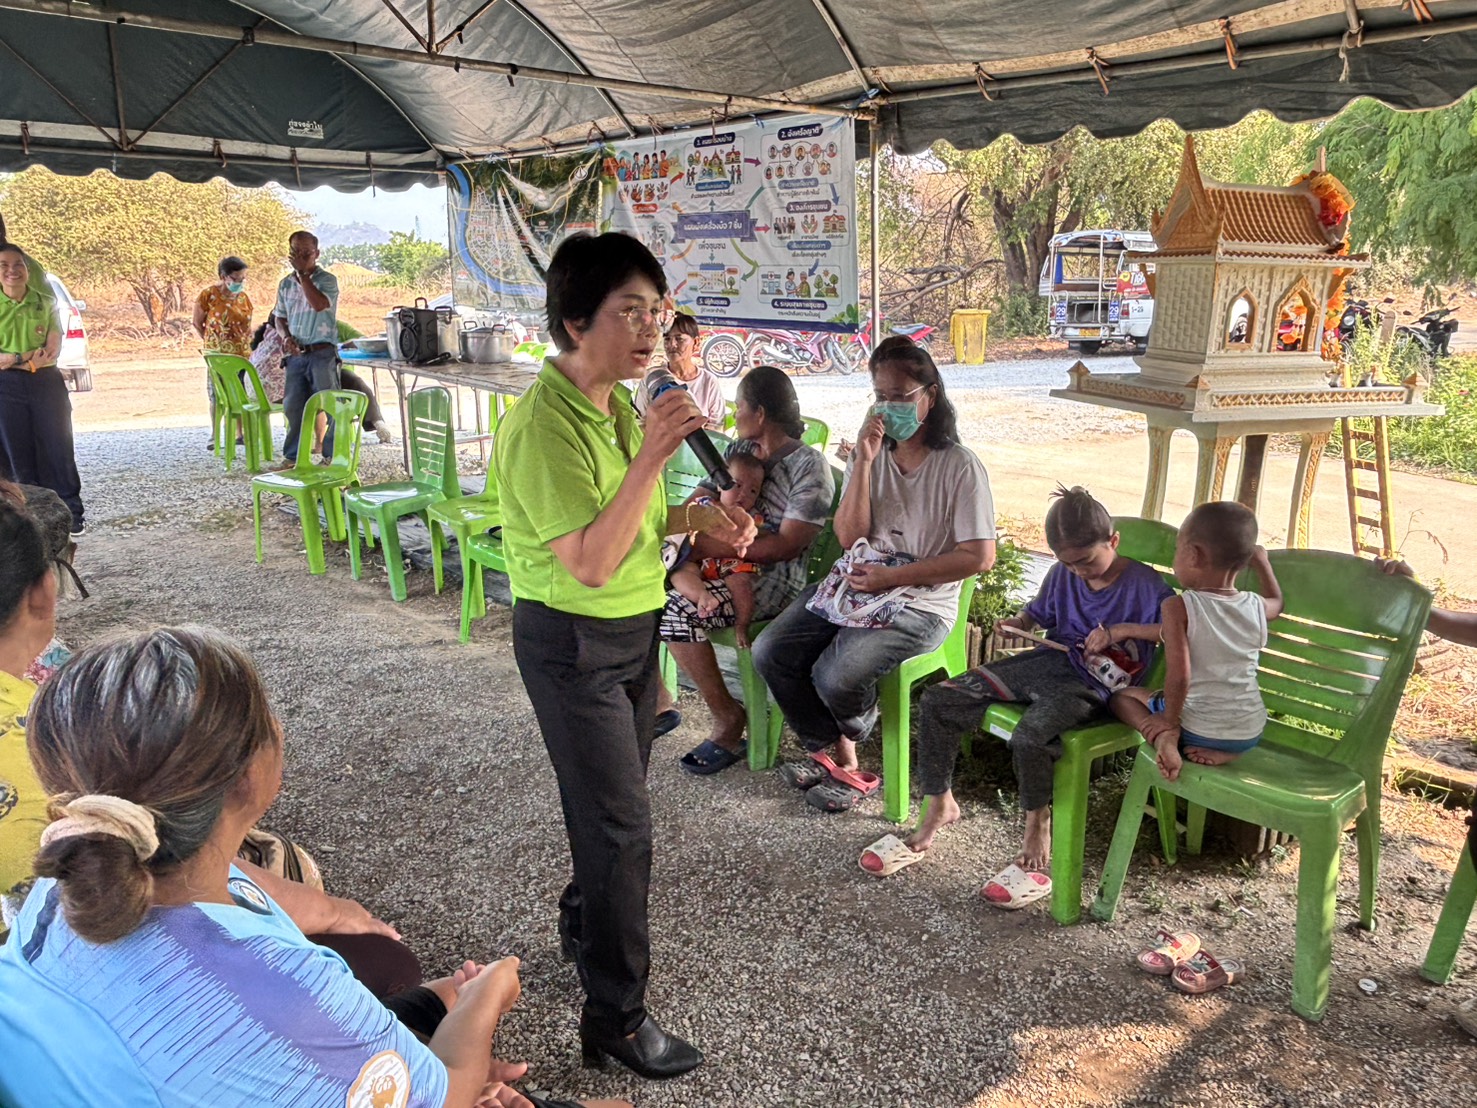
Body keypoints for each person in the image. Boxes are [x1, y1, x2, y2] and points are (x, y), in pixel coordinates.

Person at [0, 625, 628, 1108]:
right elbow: (448, 1096)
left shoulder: (68, 887)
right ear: (248, 776)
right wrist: (484, 1001)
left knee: (409, 985)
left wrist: (436, 1006)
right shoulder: (283, 993)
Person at [492, 231, 756, 1080]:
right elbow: (590, 560)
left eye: (657, 311)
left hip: (633, 630)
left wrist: (699, 522)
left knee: (611, 809)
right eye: (628, 312)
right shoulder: (545, 426)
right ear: (575, 322)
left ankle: (584, 921)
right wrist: (652, 454)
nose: (650, 330)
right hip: (573, 644)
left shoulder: (610, 405)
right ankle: (615, 1018)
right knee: (622, 827)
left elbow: (631, 522)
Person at [752, 337, 996, 810]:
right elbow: (849, 537)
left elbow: (979, 556)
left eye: (901, 396)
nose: (888, 407)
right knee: (771, 650)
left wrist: (894, 578)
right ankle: (833, 753)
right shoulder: (873, 455)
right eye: (881, 396)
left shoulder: (959, 467)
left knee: (834, 674)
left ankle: (848, 743)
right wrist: (863, 461)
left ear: (931, 395)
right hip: (859, 584)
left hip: (921, 602)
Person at [901, 486, 1173, 907]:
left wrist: (1120, 632)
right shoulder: (1064, 573)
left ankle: (1036, 819)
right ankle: (939, 802)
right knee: (940, 699)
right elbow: (1037, 614)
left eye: (1087, 560)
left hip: (1093, 683)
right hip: (1046, 663)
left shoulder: (1146, 585)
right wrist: (1019, 622)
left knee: (1030, 735)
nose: (1078, 572)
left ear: (1113, 541)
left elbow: (1175, 630)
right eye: (1068, 563)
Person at [656, 365, 834, 775]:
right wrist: (699, 536)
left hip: (768, 580)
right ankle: (657, 701)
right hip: (715, 565)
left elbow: (786, 545)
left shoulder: (809, 466)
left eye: (739, 408)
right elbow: (694, 507)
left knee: (678, 610)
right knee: (635, 585)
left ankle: (728, 717)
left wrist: (704, 544)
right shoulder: (737, 451)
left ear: (761, 413)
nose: (734, 417)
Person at [1108, 502, 1284, 782]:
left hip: (1198, 728)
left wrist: (1168, 720)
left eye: (1177, 549)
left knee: (1122, 697)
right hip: (1249, 730)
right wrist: (1262, 564)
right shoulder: (1255, 606)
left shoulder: (1178, 607)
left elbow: (1180, 677)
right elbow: (1277, 602)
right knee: (1218, 716)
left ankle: (1164, 737)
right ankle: (1229, 752)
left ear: (1193, 555)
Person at [0, 244, 84, 538]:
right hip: (7, 386)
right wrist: (23, 358)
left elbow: (50, 351)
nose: (12, 270)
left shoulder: (45, 302)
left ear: (27, 268)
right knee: (17, 452)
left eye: (18, 264)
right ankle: (29, 518)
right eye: (4, 265)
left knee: (58, 446)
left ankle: (71, 514)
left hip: (46, 381)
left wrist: (12, 358)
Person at [667, 451, 770, 647]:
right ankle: (702, 596)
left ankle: (742, 624)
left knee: (740, 582)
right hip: (699, 562)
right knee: (681, 574)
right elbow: (687, 518)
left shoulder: (753, 517)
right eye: (737, 485)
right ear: (719, 485)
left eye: (752, 491)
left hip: (731, 564)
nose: (743, 494)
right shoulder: (705, 505)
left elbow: (760, 534)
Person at [273, 231, 340, 467]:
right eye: (296, 252)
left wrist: (303, 275)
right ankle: (293, 457)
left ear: (317, 254)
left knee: (331, 405)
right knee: (294, 407)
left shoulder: (327, 280)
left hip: (322, 352)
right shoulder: (285, 284)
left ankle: (333, 456)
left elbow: (319, 304)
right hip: (296, 354)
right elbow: (279, 317)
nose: (301, 257)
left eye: (306, 253)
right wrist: (286, 337)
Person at [195, 255, 253, 451]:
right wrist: (213, 342)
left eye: (242, 279)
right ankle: (215, 435)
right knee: (217, 395)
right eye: (235, 279)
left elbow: (247, 326)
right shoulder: (208, 295)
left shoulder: (243, 298)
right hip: (218, 356)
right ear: (223, 276)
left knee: (240, 393)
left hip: (241, 355)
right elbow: (197, 322)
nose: (239, 283)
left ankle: (240, 434)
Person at [633, 313, 725, 429]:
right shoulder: (653, 378)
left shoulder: (709, 381)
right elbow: (640, 422)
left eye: (679, 339)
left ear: (696, 343)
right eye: (667, 339)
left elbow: (716, 425)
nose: (672, 344)